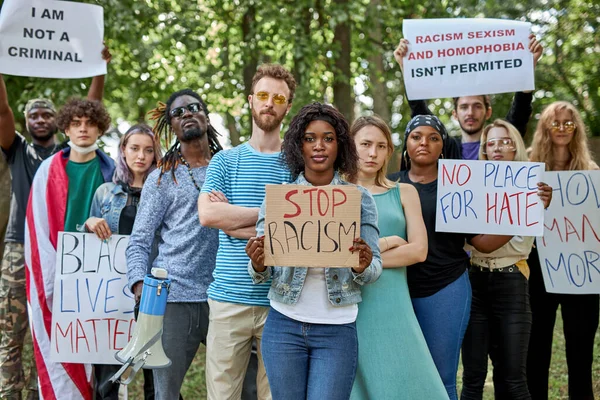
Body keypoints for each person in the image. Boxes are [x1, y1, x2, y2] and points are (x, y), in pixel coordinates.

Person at [388, 114, 549, 400]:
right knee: (400, 372)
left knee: (444, 376)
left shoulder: (458, 186)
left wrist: (529, 209)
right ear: (405, 144)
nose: (424, 142)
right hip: (396, 290)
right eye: (416, 136)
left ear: (444, 146)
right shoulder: (389, 184)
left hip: (445, 288)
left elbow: (483, 244)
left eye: (434, 137)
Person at [246, 102, 382, 400]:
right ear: (299, 146)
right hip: (284, 326)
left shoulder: (359, 200)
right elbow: (260, 273)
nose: (319, 146)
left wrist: (362, 265)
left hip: (337, 330)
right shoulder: (279, 200)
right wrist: (257, 263)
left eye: (328, 138)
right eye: (310, 138)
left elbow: (374, 270)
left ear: (340, 145)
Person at [0, 46, 110, 400]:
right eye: (34, 115)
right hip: (23, 249)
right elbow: (2, 112)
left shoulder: (74, 154)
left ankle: (46, 391)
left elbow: (89, 112)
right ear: (28, 121)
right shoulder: (19, 149)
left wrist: (99, 69)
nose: (41, 119)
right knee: (15, 331)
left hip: (81, 255)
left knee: (70, 334)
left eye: (48, 114)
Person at [198, 64, 296, 400]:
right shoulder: (225, 161)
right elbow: (209, 214)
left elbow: (298, 227)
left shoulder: (296, 164)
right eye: (264, 96)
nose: (270, 103)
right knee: (222, 395)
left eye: (278, 98)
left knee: (276, 395)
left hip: (281, 300)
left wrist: (236, 223)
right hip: (227, 299)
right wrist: (274, 212)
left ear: (287, 106)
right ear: (251, 100)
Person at [125, 90, 223, 400]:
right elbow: (139, 241)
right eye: (178, 112)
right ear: (171, 125)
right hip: (173, 298)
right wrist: (139, 284)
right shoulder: (161, 178)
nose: (188, 114)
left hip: (225, 296)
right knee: (165, 393)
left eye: (195, 107)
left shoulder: (229, 167)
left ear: (206, 116)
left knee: (243, 386)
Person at [348, 115, 447, 400]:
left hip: (393, 304)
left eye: (381, 146)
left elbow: (418, 250)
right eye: (365, 144)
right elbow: (339, 254)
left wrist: (367, 259)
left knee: (411, 382)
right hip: (351, 305)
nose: (372, 153)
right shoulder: (335, 192)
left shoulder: (404, 191)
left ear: (390, 152)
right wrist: (389, 242)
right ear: (350, 146)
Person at [24, 98, 115, 400]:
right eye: (76, 123)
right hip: (62, 277)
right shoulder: (47, 171)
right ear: (65, 127)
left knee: (100, 354)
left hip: (102, 279)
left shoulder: (114, 172)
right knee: (65, 354)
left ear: (100, 128)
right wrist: (50, 279)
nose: (83, 129)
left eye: (90, 123)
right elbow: (37, 229)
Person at [460, 119, 552, 400]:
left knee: (512, 377)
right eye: (491, 143)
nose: (498, 147)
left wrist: (537, 205)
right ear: (484, 149)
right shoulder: (470, 185)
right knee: (473, 378)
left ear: (516, 146)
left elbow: (521, 241)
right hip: (474, 283)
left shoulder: (534, 188)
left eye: (505, 141)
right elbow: (468, 240)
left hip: (512, 282)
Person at [526, 101, 599, 400]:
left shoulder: (591, 172)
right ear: (544, 127)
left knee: (581, 352)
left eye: (569, 123)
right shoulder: (528, 169)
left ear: (577, 129)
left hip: (581, 270)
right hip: (539, 267)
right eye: (556, 123)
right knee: (536, 349)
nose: (562, 128)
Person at [84, 124, 161, 399]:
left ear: (156, 155)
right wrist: (89, 223)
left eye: (148, 150)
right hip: (113, 297)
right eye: (134, 148)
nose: (141, 155)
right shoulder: (105, 193)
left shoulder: (164, 191)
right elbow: (88, 248)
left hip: (152, 293)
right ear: (123, 151)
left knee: (158, 377)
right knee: (108, 379)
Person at [393, 36, 543, 160]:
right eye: (464, 107)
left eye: (477, 106)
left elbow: (520, 113)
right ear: (455, 114)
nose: (470, 112)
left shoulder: (500, 144)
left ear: (488, 112)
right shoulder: (445, 147)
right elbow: (421, 114)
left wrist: (528, 69)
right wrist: (406, 68)